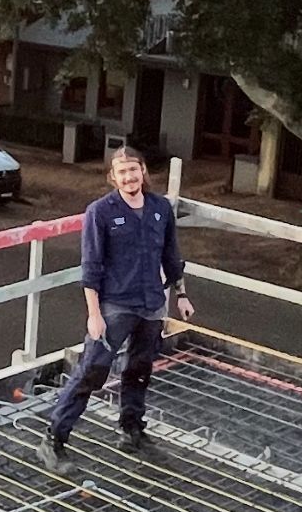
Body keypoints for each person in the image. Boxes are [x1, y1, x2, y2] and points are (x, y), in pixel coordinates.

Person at [39, 146, 194, 470]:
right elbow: (91, 266)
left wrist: (181, 295)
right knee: (92, 371)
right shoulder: (100, 212)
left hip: (151, 304)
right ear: (113, 177)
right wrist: (94, 315)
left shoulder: (160, 208)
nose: (129, 177)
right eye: (122, 172)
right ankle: (53, 439)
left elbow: (170, 255)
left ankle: (131, 430)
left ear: (143, 171)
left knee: (139, 370)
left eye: (133, 170)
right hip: (114, 306)